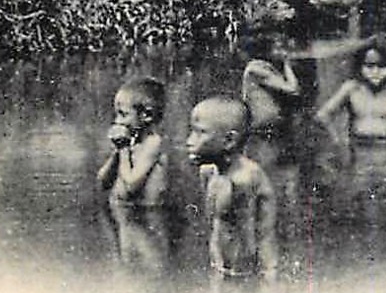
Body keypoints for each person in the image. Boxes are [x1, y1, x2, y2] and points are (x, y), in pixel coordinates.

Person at [186, 96, 280, 281]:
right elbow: (216, 225)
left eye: (200, 133)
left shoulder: (244, 179)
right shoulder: (209, 172)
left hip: (249, 272)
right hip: (222, 267)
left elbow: (250, 241)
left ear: (229, 140)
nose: (189, 140)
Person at [314, 45, 386, 144]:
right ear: (360, 67)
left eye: (382, 66)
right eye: (369, 66)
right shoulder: (352, 88)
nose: (375, 72)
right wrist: (337, 140)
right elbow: (323, 114)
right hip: (358, 144)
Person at [96, 78, 169, 207]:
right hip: (124, 216)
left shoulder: (153, 143)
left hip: (144, 219)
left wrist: (124, 150)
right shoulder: (131, 143)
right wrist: (116, 152)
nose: (117, 121)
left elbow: (131, 186)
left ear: (147, 115)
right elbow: (102, 182)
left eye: (123, 115)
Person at [241, 20, 302, 137]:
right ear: (266, 48)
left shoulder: (268, 67)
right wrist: (287, 63)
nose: (283, 51)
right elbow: (293, 89)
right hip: (263, 132)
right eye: (279, 48)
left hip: (273, 130)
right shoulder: (256, 69)